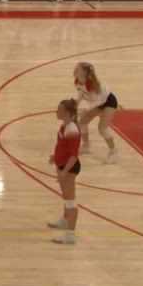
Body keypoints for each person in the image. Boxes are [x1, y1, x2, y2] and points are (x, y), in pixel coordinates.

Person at [47, 99, 83, 245]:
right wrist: (55, 157)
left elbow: (74, 156)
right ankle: (65, 220)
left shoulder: (72, 130)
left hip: (69, 168)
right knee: (66, 197)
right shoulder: (65, 126)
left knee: (70, 201)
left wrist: (64, 172)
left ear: (67, 112)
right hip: (62, 166)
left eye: (59, 110)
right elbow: (63, 147)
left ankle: (71, 235)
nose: (57, 112)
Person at [74, 62, 120, 163]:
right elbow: (81, 93)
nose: (74, 71)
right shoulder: (78, 81)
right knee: (82, 123)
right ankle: (86, 145)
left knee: (102, 128)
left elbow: (99, 101)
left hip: (108, 102)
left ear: (84, 72)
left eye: (77, 69)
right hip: (97, 103)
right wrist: (76, 103)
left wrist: (86, 109)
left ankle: (113, 153)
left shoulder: (91, 84)